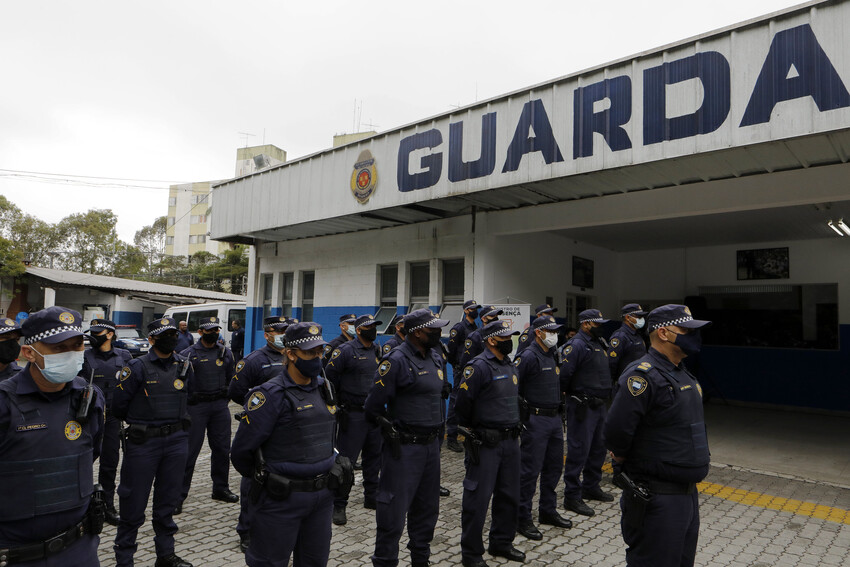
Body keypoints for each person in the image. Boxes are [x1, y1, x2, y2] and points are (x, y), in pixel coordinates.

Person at [230, 322, 352, 567]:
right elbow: (241, 453)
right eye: (310, 353)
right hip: (281, 500)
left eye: (320, 352)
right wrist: (269, 478)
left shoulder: (324, 387)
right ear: (291, 354)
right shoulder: (269, 395)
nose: (317, 358)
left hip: (321, 498)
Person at [605, 305, 712, 567]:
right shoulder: (642, 376)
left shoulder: (680, 371)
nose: (692, 335)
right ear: (664, 333)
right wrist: (623, 461)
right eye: (685, 330)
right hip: (657, 498)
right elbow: (617, 432)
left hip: (686, 496)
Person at [0, 306, 105, 566]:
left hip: (79, 549)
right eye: (59, 348)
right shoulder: (3, 403)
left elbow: (92, 451)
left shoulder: (89, 397)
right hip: (17, 556)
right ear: (29, 353)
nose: (71, 354)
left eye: (77, 345)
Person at [364, 308, 448, 567]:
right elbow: (373, 407)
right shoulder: (396, 360)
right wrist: (388, 428)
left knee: (426, 510)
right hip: (404, 449)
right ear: (417, 332)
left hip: (431, 447)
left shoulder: (435, 356)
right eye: (433, 329)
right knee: (392, 512)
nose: (438, 333)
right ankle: (385, 560)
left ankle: (420, 559)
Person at [112, 317, 194, 567]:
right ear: (152, 340)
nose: (172, 338)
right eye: (165, 335)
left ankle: (165, 555)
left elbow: (190, 397)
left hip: (176, 441)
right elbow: (119, 406)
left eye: (173, 334)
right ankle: (124, 559)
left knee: (167, 501)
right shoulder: (136, 367)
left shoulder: (185, 365)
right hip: (144, 443)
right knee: (133, 503)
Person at [455, 320, 526, 567]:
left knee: (509, 496)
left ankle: (502, 542)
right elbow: (462, 405)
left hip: (510, 442)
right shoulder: (478, 367)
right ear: (492, 340)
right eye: (506, 337)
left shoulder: (509, 364)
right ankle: (472, 554)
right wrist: (479, 430)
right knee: (477, 500)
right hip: (486, 444)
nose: (511, 340)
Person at [227, 315, 293, 553]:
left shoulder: (293, 357)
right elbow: (236, 392)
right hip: (262, 430)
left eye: (286, 330)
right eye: (278, 331)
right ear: (267, 334)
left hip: (287, 431)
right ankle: (246, 530)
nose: (282, 335)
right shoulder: (254, 360)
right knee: (254, 481)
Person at [514, 316, 573, 541]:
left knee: (554, 468)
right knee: (529, 471)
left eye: (556, 331)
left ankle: (548, 510)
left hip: (555, 420)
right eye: (550, 331)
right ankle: (523, 517)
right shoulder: (528, 356)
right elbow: (514, 386)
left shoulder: (553, 353)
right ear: (539, 333)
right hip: (535, 420)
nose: (554, 335)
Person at [325, 314, 383, 526]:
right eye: (368, 327)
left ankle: (371, 496)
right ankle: (339, 504)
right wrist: (336, 405)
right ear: (358, 330)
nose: (373, 329)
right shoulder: (346, 351)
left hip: (373, 414)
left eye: (374, 326)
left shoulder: (377, 349)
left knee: (374, 458)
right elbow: (329, 379)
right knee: (346, 462)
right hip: (353, 414)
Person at [177, 316, 238, 514]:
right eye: (209, 330)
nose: (213, 333)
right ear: (201, 332)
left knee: (222, 449)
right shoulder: (187, 354)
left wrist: (225, 395)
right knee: (190, 453)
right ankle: (178, 496)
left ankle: (220, 489)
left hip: (219, 407)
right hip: (197, 408)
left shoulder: (225, 352)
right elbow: (180, 383)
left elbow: (231, 378)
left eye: (216, 330)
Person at [560, 308, 614, 518]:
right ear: (585, 324)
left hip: (600, 405)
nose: (601, 327)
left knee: (598, 448)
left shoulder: (599, 343)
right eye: (597, 323)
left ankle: (591, 486)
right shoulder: (576, 345)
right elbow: (564, 376)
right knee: (578, 450)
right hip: (582, 405)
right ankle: (572, 495)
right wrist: (571, 397)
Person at [82, 318, 133, 526]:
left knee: (110, 464)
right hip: (87, 418)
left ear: (110, 334)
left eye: (98, 332)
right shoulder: (84, 357)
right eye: (92, 332)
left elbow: (132, 387)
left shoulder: (124, 357)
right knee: (83, 462)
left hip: (113, 418)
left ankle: (107, 506)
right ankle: (82, 504)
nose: (94, 336)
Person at [445, 300, 480, 452]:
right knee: (455, 403)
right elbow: (450, 351)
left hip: (473, 371)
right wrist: (457, 365)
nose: (474, 311)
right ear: (466, 311)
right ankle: (451, 437)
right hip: (461, 371)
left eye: (476, 308)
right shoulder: (459, 328)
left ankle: (468, 434)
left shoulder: (475, 328)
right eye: (472, 309)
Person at [608, 304, 648, 382]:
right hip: (625, 381)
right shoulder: (620, 336)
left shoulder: (638, 334)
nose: (642, 319)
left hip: (640, 379)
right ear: (628, 317)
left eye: (642, 317)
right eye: (639, 317)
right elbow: (612, 363)